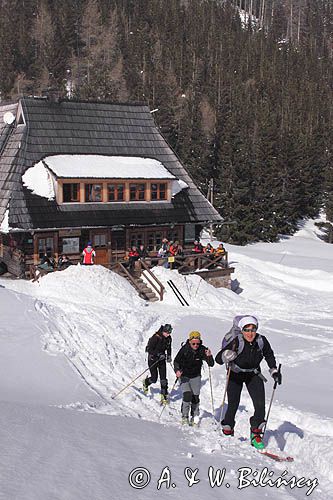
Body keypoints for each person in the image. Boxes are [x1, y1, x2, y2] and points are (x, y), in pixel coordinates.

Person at [215, 315, 281, 449]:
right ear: (242, 330)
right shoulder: (236, 341)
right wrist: (225, 356)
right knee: (233, 404)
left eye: (253, 329)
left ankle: (256, 434)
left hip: (253, 374)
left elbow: (269, 354)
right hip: (235, 374)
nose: (250, 333)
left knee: (260, 405)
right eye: (246, 330)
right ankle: (228, 428)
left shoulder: (261, 340)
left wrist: (274, 370)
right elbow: (218, 359)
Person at [174, 331, 214, 426]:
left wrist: (209, 356)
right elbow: (176, 361)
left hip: (196, 376)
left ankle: (194, 416)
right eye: (193, 343)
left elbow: (211, 364)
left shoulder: (202, 349)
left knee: (195, 397)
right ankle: (184, 416)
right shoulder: (185, 349)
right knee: (187, 395)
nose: (196, 345)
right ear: (190, 341)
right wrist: (177, 370)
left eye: (198, 343)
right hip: (184, 376)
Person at [143, 324, 173, 404]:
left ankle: (164, 395)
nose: (168, 334)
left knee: (163, 379)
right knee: (154, 378)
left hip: (162, 360)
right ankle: (146, 382)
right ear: (163, 331)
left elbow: (169, 347)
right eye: (166, 332)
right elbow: (149, 349)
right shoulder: (156, 337)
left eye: (169, 332)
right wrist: (158, 354)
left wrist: (169, 356)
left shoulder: (169, 338)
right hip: (153, 359)